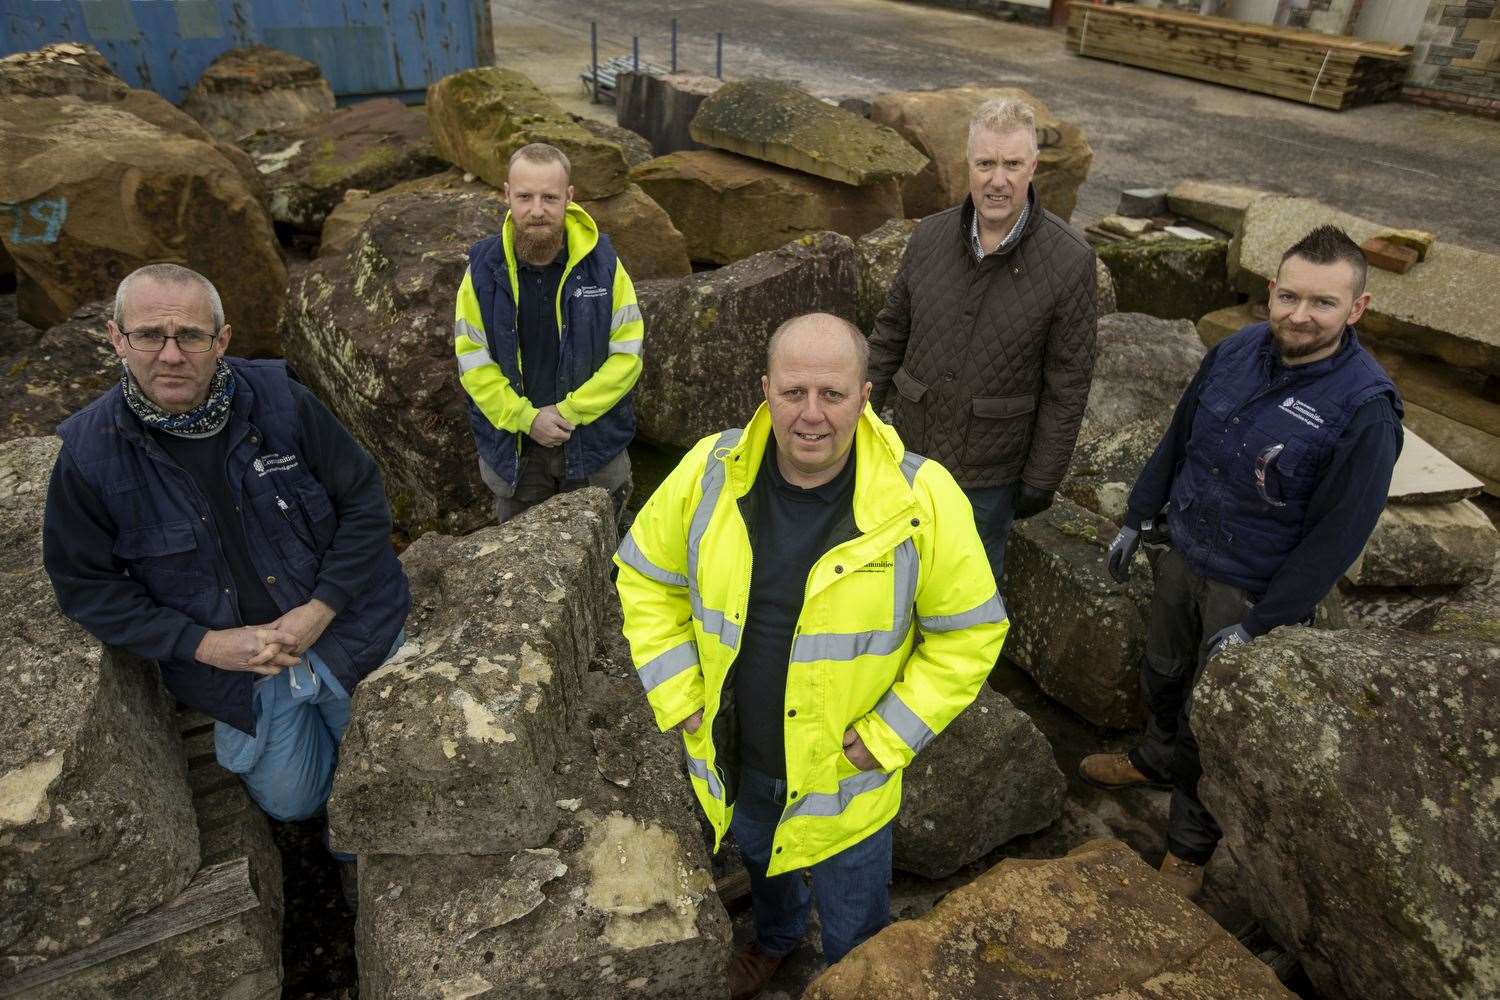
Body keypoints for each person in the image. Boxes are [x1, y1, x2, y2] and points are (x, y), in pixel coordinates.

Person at [614, 313, 1008, 997]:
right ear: (765, 389)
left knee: (858, 928)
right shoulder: (709, 472)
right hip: (739, 757)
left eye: (832, 394)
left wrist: (886, 737)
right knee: (765, 870)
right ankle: (775, 942)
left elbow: (970, 632)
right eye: (794, 392)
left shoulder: (922, 498)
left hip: (846, 782)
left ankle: (850, 976)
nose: (812, 414)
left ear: (865, 396)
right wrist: (679, 693)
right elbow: (645, 576)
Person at [43, 263, 410, 887]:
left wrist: (321, 607)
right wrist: (206, 646)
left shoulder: (283, 401)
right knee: (291, 801)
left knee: (392, 770)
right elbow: (86, 586)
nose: (170, 354)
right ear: (115, 338)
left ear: (222, 340)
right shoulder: (87, 453)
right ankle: (332, 824)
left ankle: (361, 857)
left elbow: (365, 503)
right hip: (235, 670)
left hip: (350, 631)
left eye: (189, 335)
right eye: (148, 335)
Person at [1081, 225, 1403, 897]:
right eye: (1289, 296)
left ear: (1357, 310)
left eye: (1322, 303)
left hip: (1253, 589)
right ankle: (1153, 757)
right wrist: (1139, 515)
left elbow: (1335, 541)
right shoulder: (1234, 351)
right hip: (1188, 552)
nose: (1300, 315)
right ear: (1270, 292)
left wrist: (1262, 624)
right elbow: (1180, 439)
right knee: (1163, 672)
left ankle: (1191, 845)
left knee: (1213, 715)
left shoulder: (1365, 412)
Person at [867, 96, 1097, 583]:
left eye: (1012, 164)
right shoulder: (927, 237)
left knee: (965, 605)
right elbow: (889, 335)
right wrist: (857, 420)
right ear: (967, 165)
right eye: (986, 163)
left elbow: (1068, 384)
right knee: (888, 587)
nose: (998, 180)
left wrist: (1041, 478)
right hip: (906, 454)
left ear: (1033, 167)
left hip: (989, 476)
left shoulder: (1071, 260)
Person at [454, 141, 644, 525]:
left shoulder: (605, 266)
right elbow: (472, 362)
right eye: (525, 196)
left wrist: (568, 411)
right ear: (507, 194)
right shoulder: (480, 272)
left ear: (569, 197)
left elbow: (627, 356)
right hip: (517, 454)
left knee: (606, 559)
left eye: (549, 197)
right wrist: (527, 418)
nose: (536, 210)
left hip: (595, 449)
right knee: (519, 567)